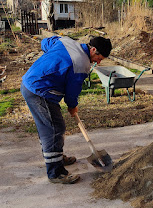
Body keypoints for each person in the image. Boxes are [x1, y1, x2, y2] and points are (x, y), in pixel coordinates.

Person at [21, 35, 112, 184]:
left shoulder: (66, 41)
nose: (98, 61)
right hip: (39, 91)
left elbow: (46, 42)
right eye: (99, 57)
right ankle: (55, 172)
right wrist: (72, 106)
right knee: (54, 129)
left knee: (52, 127)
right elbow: (72, 91)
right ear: (93, 49)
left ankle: (56, 157)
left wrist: (53, 60)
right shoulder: (81, 63)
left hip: (32, 84)